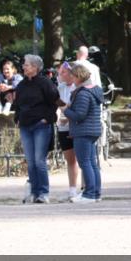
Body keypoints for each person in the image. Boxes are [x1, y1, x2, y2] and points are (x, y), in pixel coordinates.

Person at [13, 54, 60, 204]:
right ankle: (33, 192)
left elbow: (55, 101)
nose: (24, 67)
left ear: (34, 67)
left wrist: (47, 118)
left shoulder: (45, 83)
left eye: (26, 64)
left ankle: (44, 193)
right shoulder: (21, 85)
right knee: (31, 161)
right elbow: (18, 105)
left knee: (40, 161)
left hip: (41, 125)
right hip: (25, 126)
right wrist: (17, 119)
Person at [63, 63, 103, 202]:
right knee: (91, 163)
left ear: (79, 77)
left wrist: (65, 110)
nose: (71, 79)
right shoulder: (93, 91)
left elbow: (79, 115)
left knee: (85, 163)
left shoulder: (83, 93)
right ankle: (96, 193)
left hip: (83, 131)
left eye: (73, 76)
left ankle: (89, 194)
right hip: (91, 130)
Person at [55, 62, 80, 200]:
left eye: (62, 72)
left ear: (71, 73)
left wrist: (68, 117)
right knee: (70, 159)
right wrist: (58, 116)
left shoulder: (78, 88)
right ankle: (72, 190)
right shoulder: (60, 88)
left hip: (76, 126)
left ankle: (86, 189)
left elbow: (77, 108)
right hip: (63, 127)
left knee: (82, 159)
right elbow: (58, 106)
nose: (60, 75)